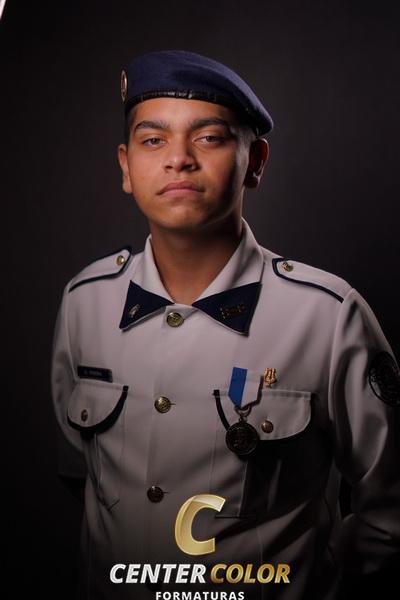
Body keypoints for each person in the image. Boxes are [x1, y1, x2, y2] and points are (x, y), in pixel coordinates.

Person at [51, 50, 400, 600]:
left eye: (209, 137)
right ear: (125, 167)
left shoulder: (328, 317)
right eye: (153, 140)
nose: (178, 159)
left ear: (255, 162)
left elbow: (391, 510)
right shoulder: (84, 301)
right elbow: (82, 473)